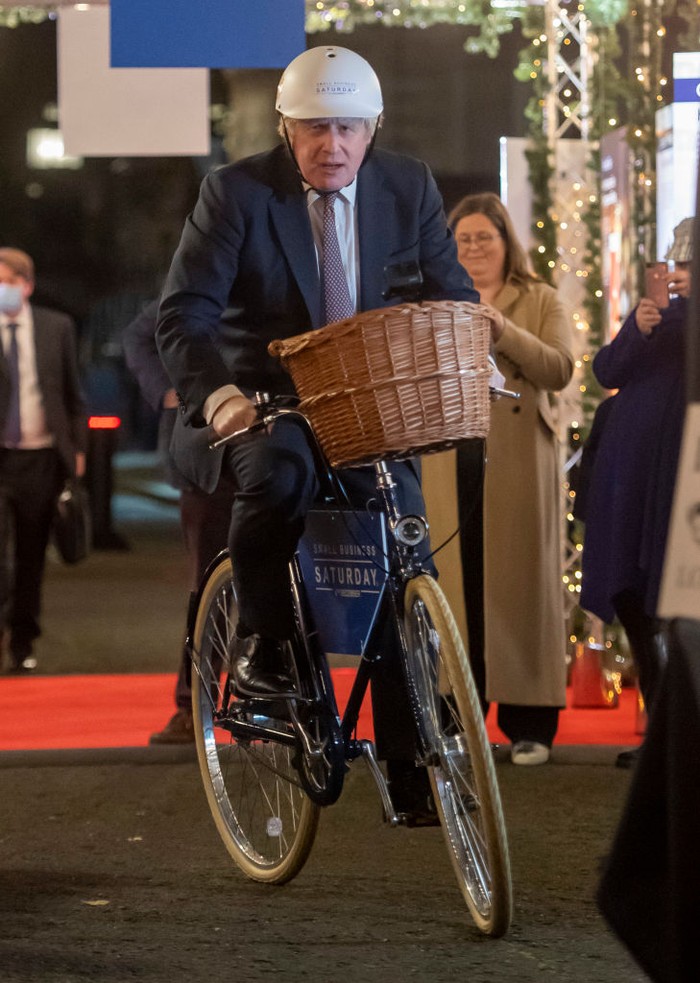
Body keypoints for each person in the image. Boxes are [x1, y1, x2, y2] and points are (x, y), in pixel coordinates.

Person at [155, 45, 479, 820]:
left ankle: (411, 758)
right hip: (267, 401)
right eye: (314, 128)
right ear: (285, 127)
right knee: (280, 474)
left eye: (348, 128)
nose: (332, 145)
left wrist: (470, 355)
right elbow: (184, 314)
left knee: (402, 552)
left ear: (373, 128)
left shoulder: (409, 185)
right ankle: (265, 647)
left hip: (370, 404)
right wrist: (220, 395)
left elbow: (452, 294)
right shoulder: (235, 192)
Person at [423, 192, 575, 766]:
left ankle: (529, 724)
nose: (473, 248)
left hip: (518, 461)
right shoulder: (434, 300)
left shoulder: (540, 299)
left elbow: (559, 369)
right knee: (455, 585)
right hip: (448, 455)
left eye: (484, 237)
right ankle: (456, 719)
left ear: (507, 243)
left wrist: (504, 330)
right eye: (462, 239)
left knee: (518, 588)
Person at [580, 218, 693, 768]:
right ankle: (662, 733)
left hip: (678, 483)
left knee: (676, 604)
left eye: (692, 265)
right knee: (629, 592)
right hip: (629, 481)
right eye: (679, 263)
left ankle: (680, 736)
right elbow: (607, 369)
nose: (681, 274)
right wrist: (638, 327)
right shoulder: (656, 319)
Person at [122, 299, 235, 744]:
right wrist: (167, 389)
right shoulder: (197, 274)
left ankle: (269, 697)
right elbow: (138, 335)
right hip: (205, 452)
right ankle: (193, 705)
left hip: (275, 436)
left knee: (275, 583)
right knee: (206, 586)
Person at [0, 247, 87, 673]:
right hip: (1, 457)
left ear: (27, 286)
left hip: (41, 459)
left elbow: (73, 394)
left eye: (8, 282)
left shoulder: (56, 327)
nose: (2, 290)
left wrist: (78, 450)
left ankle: (23, 641)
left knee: (31, 554)